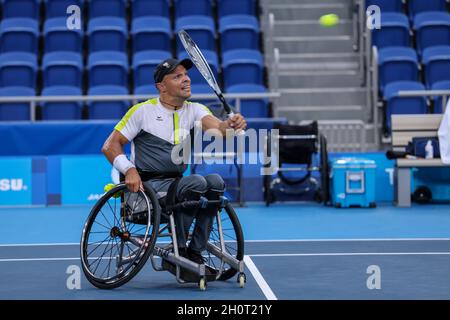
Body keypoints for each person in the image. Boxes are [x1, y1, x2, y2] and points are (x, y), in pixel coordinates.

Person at [101, 57, 246, 280]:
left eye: (186, 75)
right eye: (177, 76)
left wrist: (231, 126)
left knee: (215, 181)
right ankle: (178, 250)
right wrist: (128, 169)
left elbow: (218, 129)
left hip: (178, 186)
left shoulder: (196, 110)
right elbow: (110, 146)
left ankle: (194, 251)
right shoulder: (141, 112)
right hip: (145, 190)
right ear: (161, 86)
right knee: (196, 182)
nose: (186, 79)